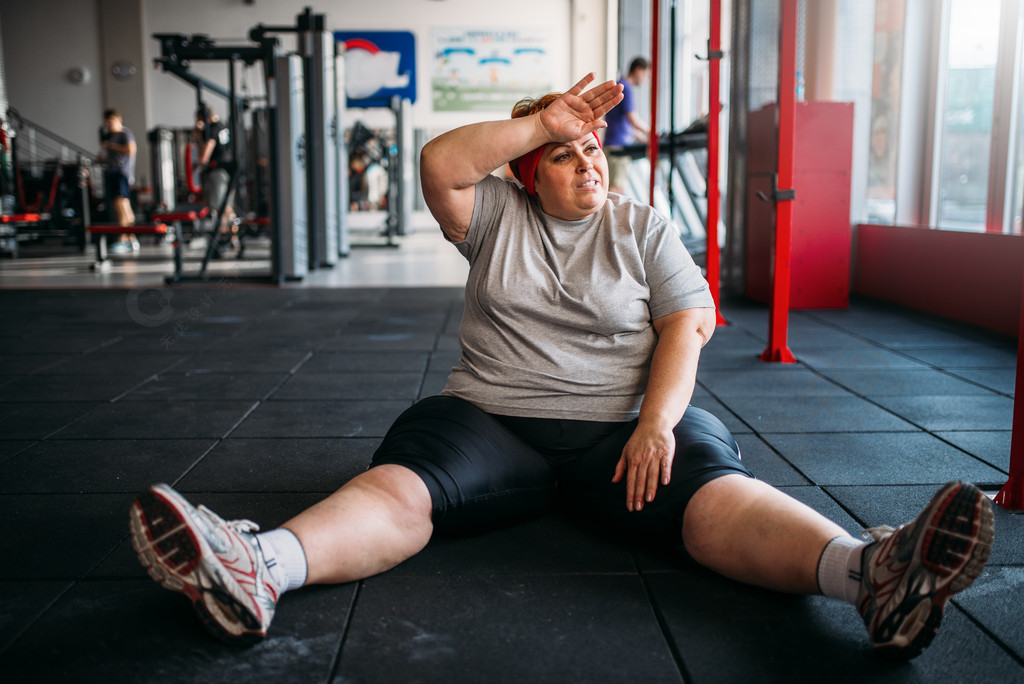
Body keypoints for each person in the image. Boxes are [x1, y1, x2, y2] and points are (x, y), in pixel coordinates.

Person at [128, 73, 994, 659]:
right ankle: (261, 567)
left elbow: (686, 328)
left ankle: (870, 576)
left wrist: (657, 424)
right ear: (526, 173)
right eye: (563, 153)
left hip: (626, 424)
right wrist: (546, 120)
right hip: (491, 421)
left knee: (709, 494)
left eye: (592, 149)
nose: (587, 161)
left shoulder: (642, 224)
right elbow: (438, 163)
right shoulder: (494, 216)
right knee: (406, 484)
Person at [603, 57, 651, 195]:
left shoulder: (620, 84)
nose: (645, 80)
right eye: (646, 76)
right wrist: (652, 132)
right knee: (616, 190)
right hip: (618, 147)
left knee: (614, 187)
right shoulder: (626, 88)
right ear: (638, 70)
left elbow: (626, 123)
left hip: (613, 144)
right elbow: (633, 119)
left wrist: (642, 137)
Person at [194, 106, 236, 253]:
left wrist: (199, 163)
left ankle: (223, 239)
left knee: (219, 207)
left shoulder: (211, 128)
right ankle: (233, 238)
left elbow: (208, 147)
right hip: (229, 169)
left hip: (217, 170)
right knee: (227, 206)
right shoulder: (223, 126)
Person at [98, 108, 137, 253]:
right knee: (122, 204)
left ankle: (124, 239)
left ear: (118, 119)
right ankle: (131, 238)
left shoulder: (124, 133)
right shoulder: (108, 136)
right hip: (111, 172)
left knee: (121, 203)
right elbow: (102, 155)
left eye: (111, 121)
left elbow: (131, 150)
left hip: (122, 173)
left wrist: (112, 146)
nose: (108, 124)